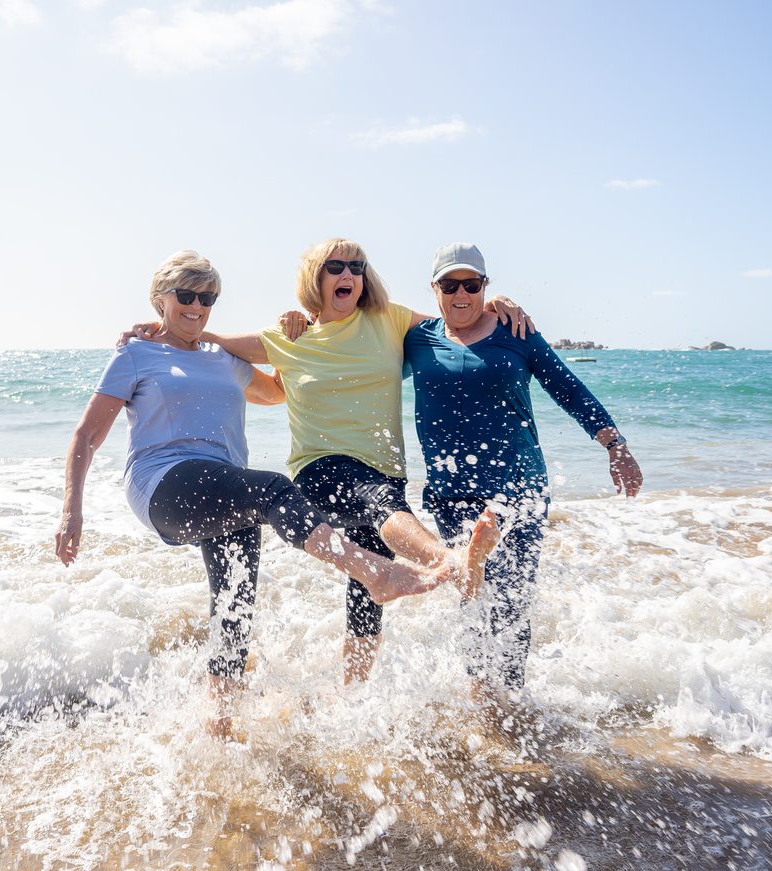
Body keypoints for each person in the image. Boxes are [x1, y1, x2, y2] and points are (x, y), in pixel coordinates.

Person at [54, 250, 452, 739]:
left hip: (225, 488)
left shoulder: (221, 357)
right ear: (161, 299)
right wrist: (72, 511)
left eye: (208, 297)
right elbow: (85, 437)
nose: (197, 306)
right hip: (163, 482)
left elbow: (277, 392)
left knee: (235, 602)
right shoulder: (136, 353)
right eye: (186, 296)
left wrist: (297, 332)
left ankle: (219, 727)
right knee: (272, 489)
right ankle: (376, 572)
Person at [128, 239, 521, 683]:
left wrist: (494, 305)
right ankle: (449, 563)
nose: (348, 274)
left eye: (357, 266)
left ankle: (351, 693)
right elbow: (207, 340)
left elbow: (459, 324)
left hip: (383, 467)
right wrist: (161, 327)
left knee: (368, 589)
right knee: (379, 505)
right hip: (321, 469)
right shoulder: (288, 337)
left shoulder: (389, 319)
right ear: (316, 276)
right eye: (335, 266)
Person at [403, 242, 643, 699]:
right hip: (452, 491)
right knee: (471, 593)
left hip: (519, 486)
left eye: (471, 285)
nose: (461, 294)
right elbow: (359, 350)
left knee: (511, 598)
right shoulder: (418, 338)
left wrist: (615, 444)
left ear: (484, 286)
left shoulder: (517, 332)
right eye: (450, 285)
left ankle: (509, 698)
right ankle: (479, 693)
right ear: (434, 289)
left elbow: (567, 388)